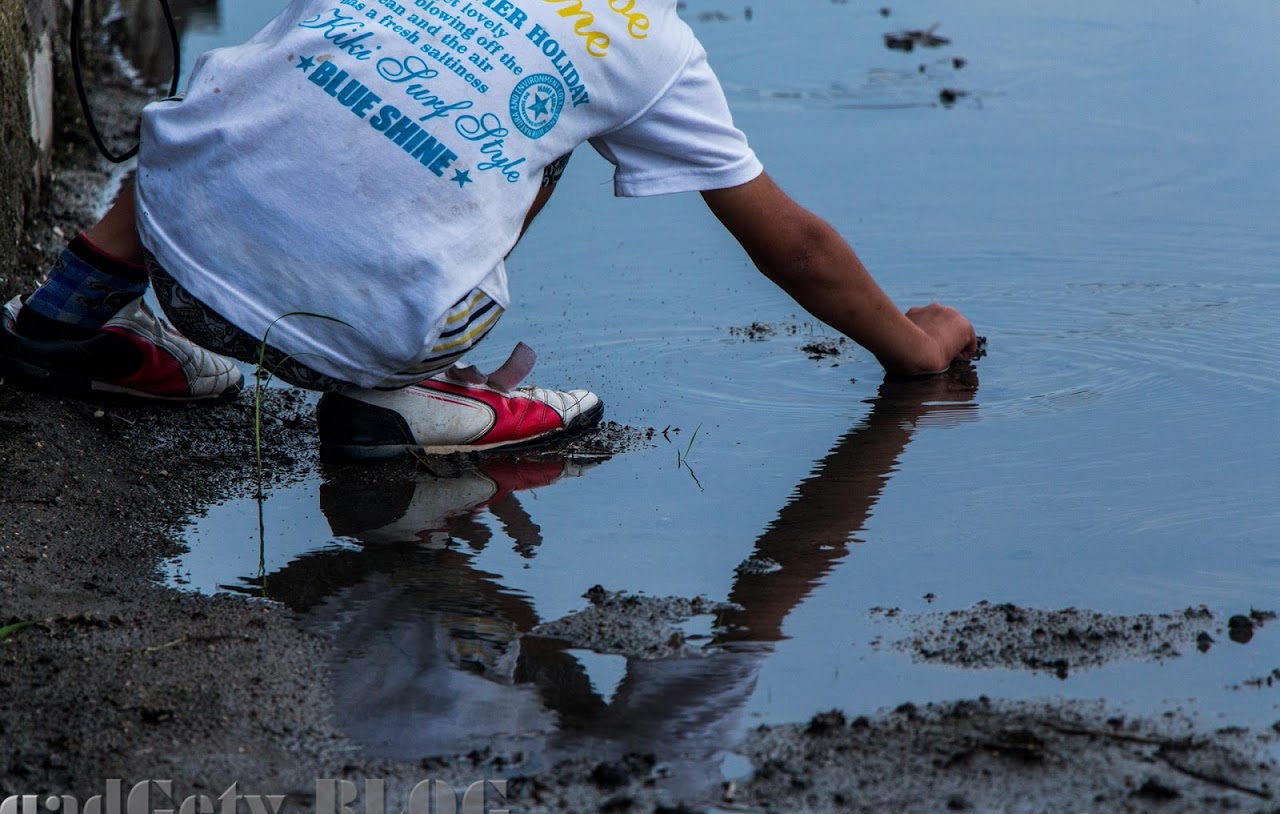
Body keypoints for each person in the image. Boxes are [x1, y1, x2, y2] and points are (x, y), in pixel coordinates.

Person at [0, 0, 977, 460]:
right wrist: (912, 348)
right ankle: (393, 394)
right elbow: (790, 245)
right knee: (537, 139)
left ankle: (60, 320)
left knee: (273, 84)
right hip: (357, 334)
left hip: (170, 241)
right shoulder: (648, 41)